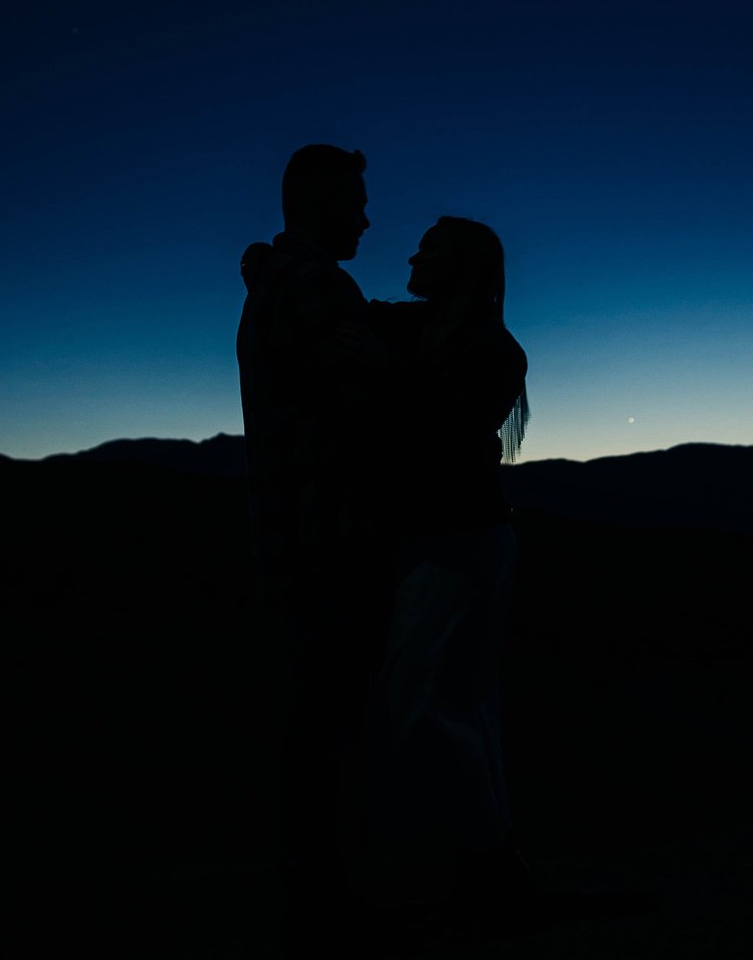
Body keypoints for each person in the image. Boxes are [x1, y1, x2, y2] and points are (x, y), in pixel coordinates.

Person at [337, 216, 544, 941]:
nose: (414, 255)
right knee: (457, 705)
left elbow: (434, 425)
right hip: (444, 541)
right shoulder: (428, 330)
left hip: (462, 544)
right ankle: (490, 876)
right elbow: (350, 313)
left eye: (431, 248)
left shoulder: (490, 349)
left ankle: (486, 872)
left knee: (430, 703)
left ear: (462, 267)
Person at [236, 145, 416, 960]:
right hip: (331, 532)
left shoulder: (285, 281)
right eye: (357, 201)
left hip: (296, 529)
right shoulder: (312, 285)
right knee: (332, 722)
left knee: (316, 717)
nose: (369, 218)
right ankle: (323, 906)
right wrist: (391, 374)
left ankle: (316, 896)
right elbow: (357, 413)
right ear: (320, 202)